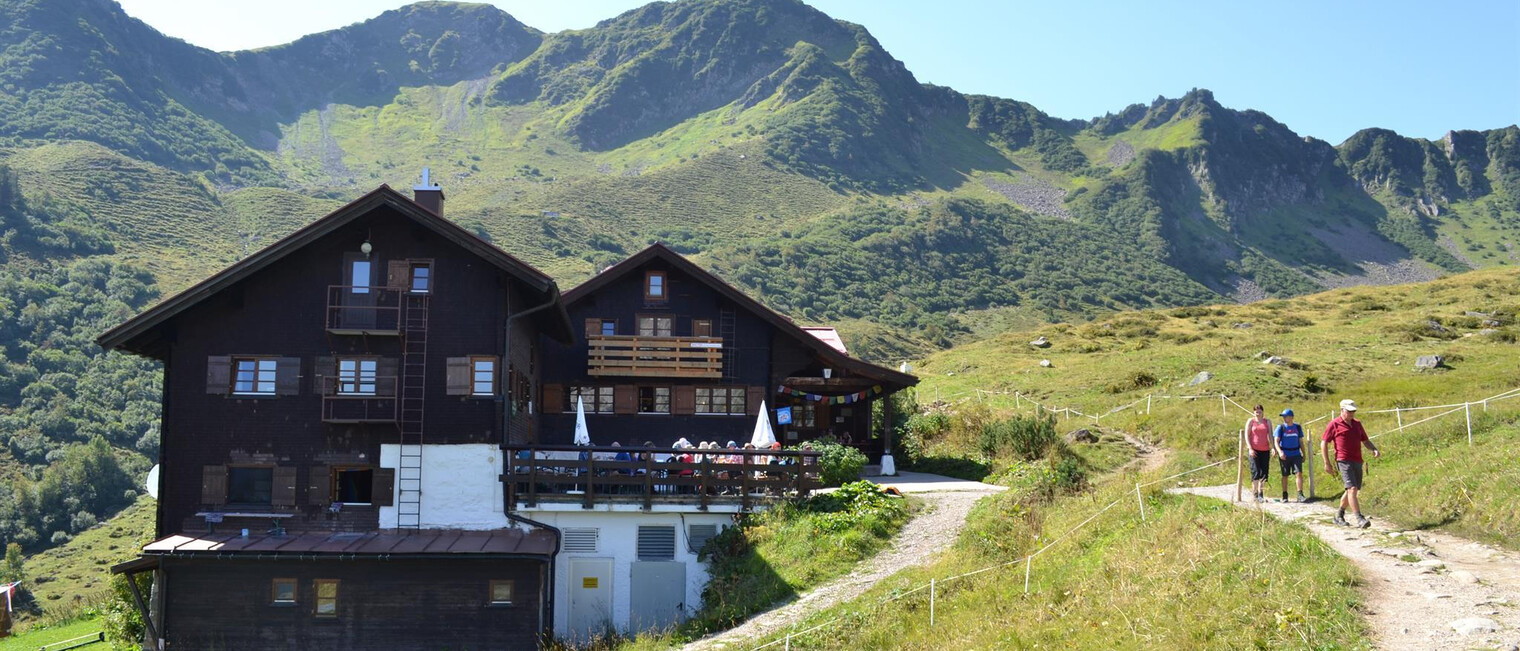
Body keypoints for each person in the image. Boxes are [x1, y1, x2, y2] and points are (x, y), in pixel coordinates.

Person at [1322, 399, 1381, 528]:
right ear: (1342, 410)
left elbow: (1365, 440)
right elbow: (1324, 442)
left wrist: (1374, 449)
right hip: (1343, 460)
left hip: (1357, 460)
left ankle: (1339, 515)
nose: (1351, 414)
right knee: (1352, 489)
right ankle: (1359, 518)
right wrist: (1327, 463)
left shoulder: (1357, 424)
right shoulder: (1334, 424)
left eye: (1353, 411)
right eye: (1349, 411)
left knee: (1352, 490)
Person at [1273, 409, 1307, 503]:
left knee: (1298, 473)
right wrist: (1280, 452)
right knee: (1285, 475)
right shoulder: (1281, 427)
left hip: (1296, 453)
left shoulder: (1297, 427)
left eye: (1286, 416)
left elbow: (1301, 442)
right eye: (1283, 416)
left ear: (1291, 417)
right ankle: (1285, 495)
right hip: (1285, 454)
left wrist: (1304, 454)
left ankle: (1300, 494)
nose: (1284, 418)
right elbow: (1276, 441)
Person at [1244, 405, 1273, 502]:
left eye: (1259, 410)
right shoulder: (1250, 421)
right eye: (1256, 410)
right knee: (1255, 471)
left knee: (1264, 472)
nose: (1258, 412)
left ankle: (1261, 494)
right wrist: (1250, 448)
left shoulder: (1267, 422)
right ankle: (1255, 494)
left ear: (1263, 411)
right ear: (1253, 412)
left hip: (1265, 450)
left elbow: (1271, 436)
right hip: (1254, 450)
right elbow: (1246, 436)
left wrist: (1273, 447)